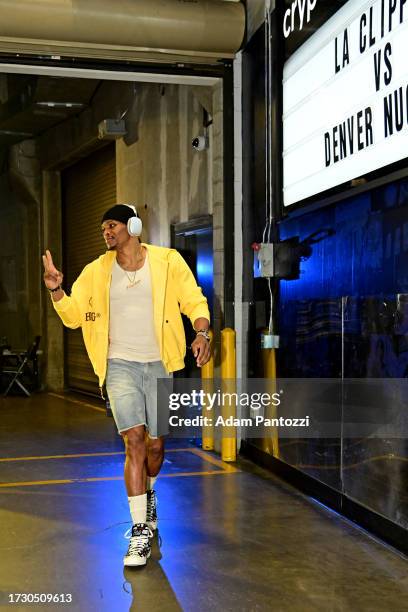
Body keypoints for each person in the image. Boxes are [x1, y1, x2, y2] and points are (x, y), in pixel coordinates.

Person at [42, 204, 211, 567]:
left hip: (161, 362)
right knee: (133, 439)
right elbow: (73, 317)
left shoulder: (167, 263)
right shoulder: (96, 271)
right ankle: (139, 532)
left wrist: (201, 332)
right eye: (103, 226)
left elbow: (193, 300)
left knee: (155, 446)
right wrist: (57, 291)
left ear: (132, 227)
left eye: (113, 225)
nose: (107, 232)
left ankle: (149, 496)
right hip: (118, 364)